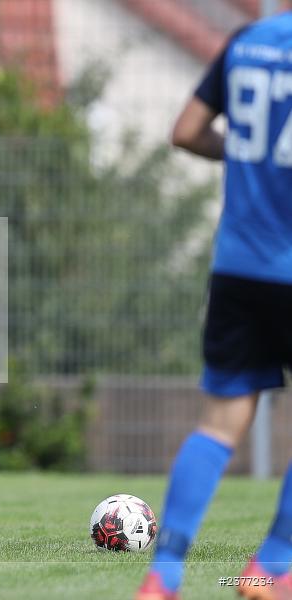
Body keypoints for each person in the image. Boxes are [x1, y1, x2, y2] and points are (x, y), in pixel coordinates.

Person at [136, 6, 292, 600]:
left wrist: (249, 158)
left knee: (220, 423)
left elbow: (186, 131)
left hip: (238, 266)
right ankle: (269, 567)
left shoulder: (247, 43)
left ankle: (164, 577)